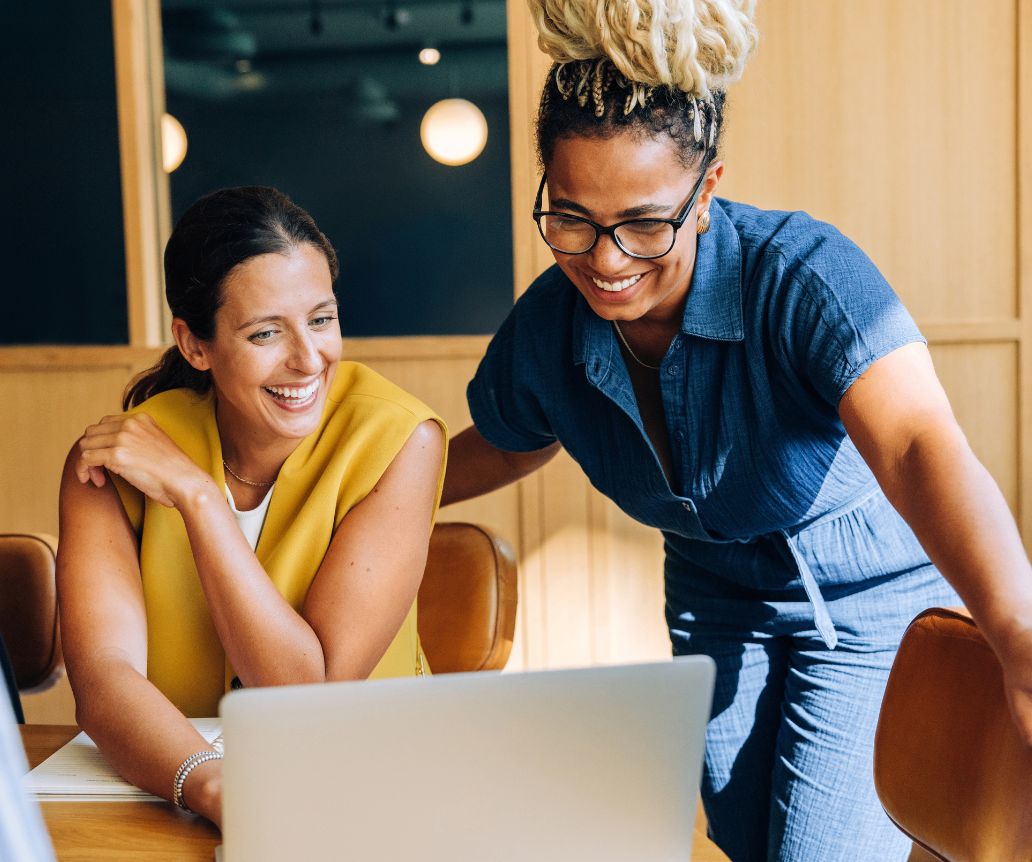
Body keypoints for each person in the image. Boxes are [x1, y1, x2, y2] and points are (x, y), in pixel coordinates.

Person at [441, 1, 1032, 860]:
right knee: (741, 840)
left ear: (707, 189)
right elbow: (510, 436)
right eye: (571, 218)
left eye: (645, 223)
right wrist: (356, 495)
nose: (606, 261)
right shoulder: (550, 324)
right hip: (716, 601)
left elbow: (915, 445)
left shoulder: (803, 276)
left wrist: (1017, 631)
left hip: (867, 608)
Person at [56, 186, 446, 829]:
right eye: (266, 332)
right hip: (168, 789)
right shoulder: (117, 459)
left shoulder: (400, 439)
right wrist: (210, 788)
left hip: (377, 796)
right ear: (195, 345)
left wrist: (200, 498)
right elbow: (104, 680)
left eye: (322, 320)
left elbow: (308, 699)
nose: (307, 358)